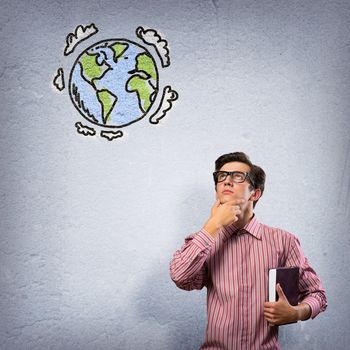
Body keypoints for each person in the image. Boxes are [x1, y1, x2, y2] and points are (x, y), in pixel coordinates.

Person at [170, 152, 327, 349]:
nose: (226, 181)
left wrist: (296, 312)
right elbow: (180, 277)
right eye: (221, 176)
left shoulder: (284, 241)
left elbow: (317, 294)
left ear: (255, 193)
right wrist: (213, 225)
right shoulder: (206, 240)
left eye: (237, 176)